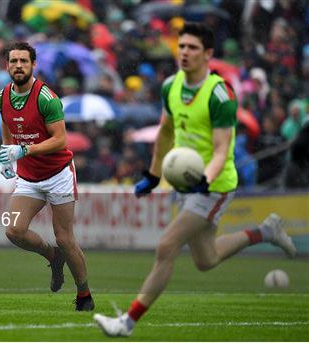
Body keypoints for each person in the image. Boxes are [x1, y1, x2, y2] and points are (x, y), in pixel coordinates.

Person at [94, 22, 296, 336]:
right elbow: (165, 131)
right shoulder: (171, 86)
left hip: (214, 185)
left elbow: (221, 150)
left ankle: (127, 323)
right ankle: (265, 231)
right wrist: (152, 175)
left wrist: (206, 180)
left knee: (166, 245)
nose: (184, 52)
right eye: (182, 46)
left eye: (192, 48)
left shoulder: (220, 94)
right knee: (206, 258)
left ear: (208, 54)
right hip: (186, 182)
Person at [0, 42, 94, 311]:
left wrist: (23, 149)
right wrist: (7, 153)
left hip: (58, 174)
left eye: (23, 61)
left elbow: (61, 141)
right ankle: (52, 256)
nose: (18, 66)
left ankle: (84, 293)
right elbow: (7, 120)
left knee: (65, 237)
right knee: (14, 231)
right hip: (29, 176)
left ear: (33, 65)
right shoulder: (0, 97)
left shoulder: (46, 98)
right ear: (7, 65)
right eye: (13, 61)